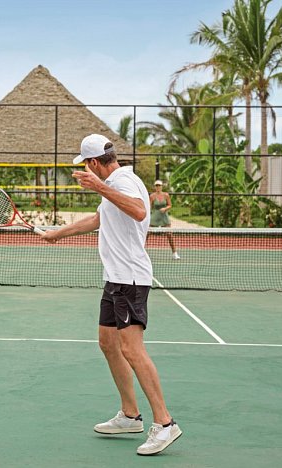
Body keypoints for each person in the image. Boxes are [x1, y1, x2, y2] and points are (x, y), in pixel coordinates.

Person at [43, 134, 182, 456]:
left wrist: (99, 187)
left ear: (93, 163)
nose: (85, 171)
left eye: (85, 165)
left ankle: (165, 423)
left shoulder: (123, 181)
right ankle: (130, 416)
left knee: (132, 350)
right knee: (107, 343)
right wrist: (57, 234)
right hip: (115, 278)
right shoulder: (114, 185)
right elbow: (98, 219)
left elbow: (138, 210)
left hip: (130, 279)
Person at [149, 180, 180, 260]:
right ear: (155, 187)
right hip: (155, 216)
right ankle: (139, 252)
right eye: (156, 185)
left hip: (164, 217)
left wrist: (165, 209)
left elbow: (170, 205)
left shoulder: (166, 195)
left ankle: (174, 253)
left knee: (169, 234)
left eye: (159, 185)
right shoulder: (152, 196)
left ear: (162, 186)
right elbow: (149, 207)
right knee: (147, 233)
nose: (158, 187)